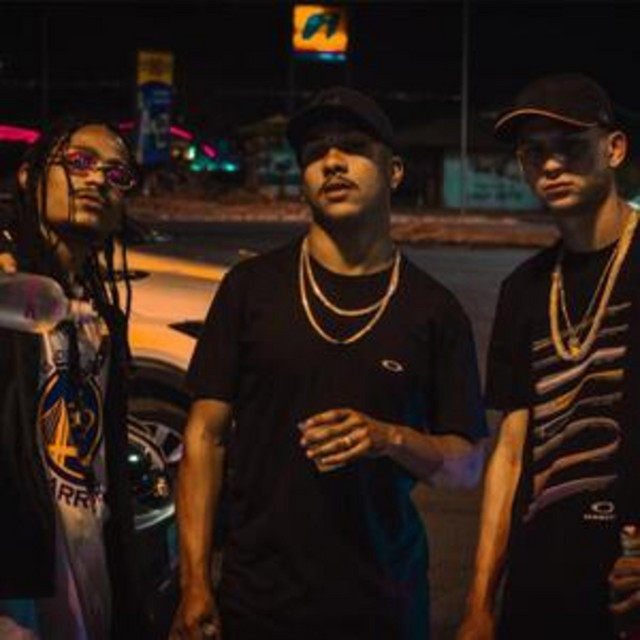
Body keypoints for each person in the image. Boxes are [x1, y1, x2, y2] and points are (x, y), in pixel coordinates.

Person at [170, 86, 487, 640]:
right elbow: (204, 437)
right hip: (257, 598)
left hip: (383, 602)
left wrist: (389, 438)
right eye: (315, 152)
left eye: (354, 147)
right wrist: (194, 582)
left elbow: (466, 468)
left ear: (394, 171)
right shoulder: (249, 288)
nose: (333, 162)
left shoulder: (434, 310)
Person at [458, 73, 640, 640]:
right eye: (534, 152)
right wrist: (479, 604)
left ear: (614, 148)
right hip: (538, 584)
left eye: (570, 146)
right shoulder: (524, 288)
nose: (552, 165)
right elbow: (510, 453)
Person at [0, 118, 144, 639]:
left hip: (84, 560)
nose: (98, 178)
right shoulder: (7, 283)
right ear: (29, 174)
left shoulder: (100, 313)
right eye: (79, 161)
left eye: (117, 174)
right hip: (16, 581)